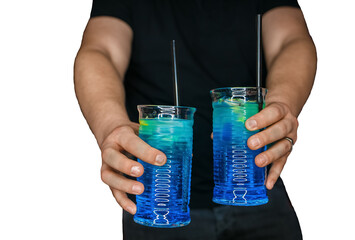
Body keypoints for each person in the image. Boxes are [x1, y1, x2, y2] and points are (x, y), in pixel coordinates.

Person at [74, 0, 316, 239]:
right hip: (157, 200)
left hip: (260, 187)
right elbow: (100, 50)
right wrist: (110, 126)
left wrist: (283, 103)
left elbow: (291, 39)